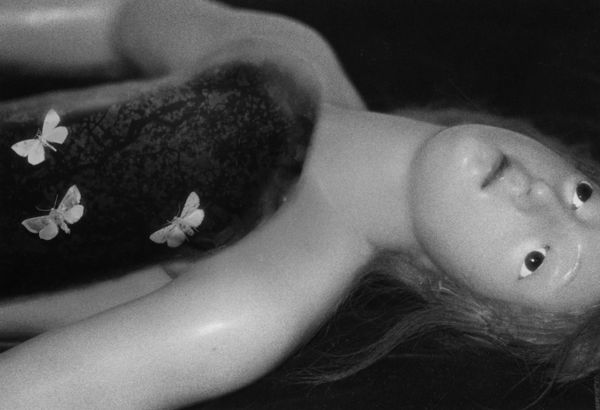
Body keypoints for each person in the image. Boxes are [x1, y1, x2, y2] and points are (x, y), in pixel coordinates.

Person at [0, 0, 599, 408]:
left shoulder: (261, 299)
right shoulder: (295, 53)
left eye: (537, 259)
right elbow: (121, 19)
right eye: (583, 196)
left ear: (477, 310)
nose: (541, 198)